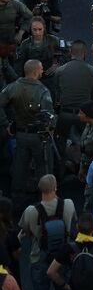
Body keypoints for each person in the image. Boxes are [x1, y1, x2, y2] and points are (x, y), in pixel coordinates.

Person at [0, 60, 54, 210]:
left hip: (21, 135)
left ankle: (16, 202)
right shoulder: (43, 90)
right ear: (36, 71)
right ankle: (45, 201)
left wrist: (7, 123)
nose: (43, 71)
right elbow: (49, 116)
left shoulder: (13, 87)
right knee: (43, 167)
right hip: (40, 137)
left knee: (19, 168)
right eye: (42, 69)